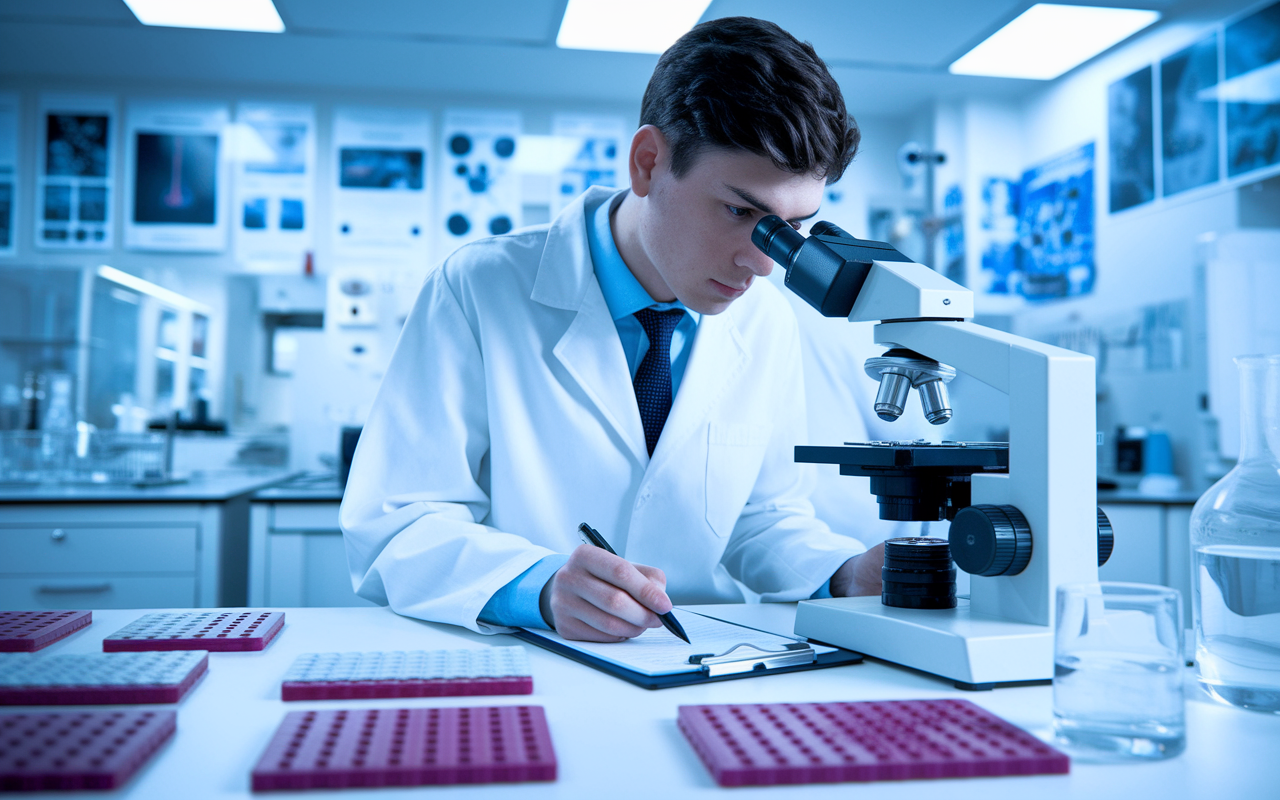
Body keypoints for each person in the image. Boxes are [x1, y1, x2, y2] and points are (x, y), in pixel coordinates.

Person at [341, 16, 886, 643]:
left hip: (700, 661)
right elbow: (397, 522)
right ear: (649, 163)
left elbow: (761, 517)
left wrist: (843, 575)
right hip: (531, 662)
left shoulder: (765, 320)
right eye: (740, 212)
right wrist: (539, 587)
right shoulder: (478, 288)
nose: (763, 264)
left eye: (792, 228)